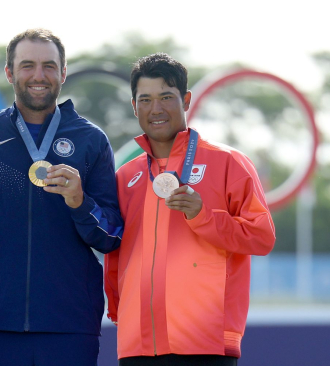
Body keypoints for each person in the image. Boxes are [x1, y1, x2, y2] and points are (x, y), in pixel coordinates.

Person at [0, 28, 123, 366]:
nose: (39, 76)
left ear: (63, 73)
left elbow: (112, 235)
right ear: (10, 72)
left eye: (49, 66)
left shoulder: (91, 139)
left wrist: (80, 202)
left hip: (70, 324)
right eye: (27, 65)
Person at [104, 53, 276, 366]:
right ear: (134, 105)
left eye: (166, 97)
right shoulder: (126, 176)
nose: (156, 109)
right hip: (137, 343)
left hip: (206, 342)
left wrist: (203, 216)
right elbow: (117, 252)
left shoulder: (228, 162)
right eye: (145, 99)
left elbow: (262, 237)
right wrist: (120, 312)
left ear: (186, 100)